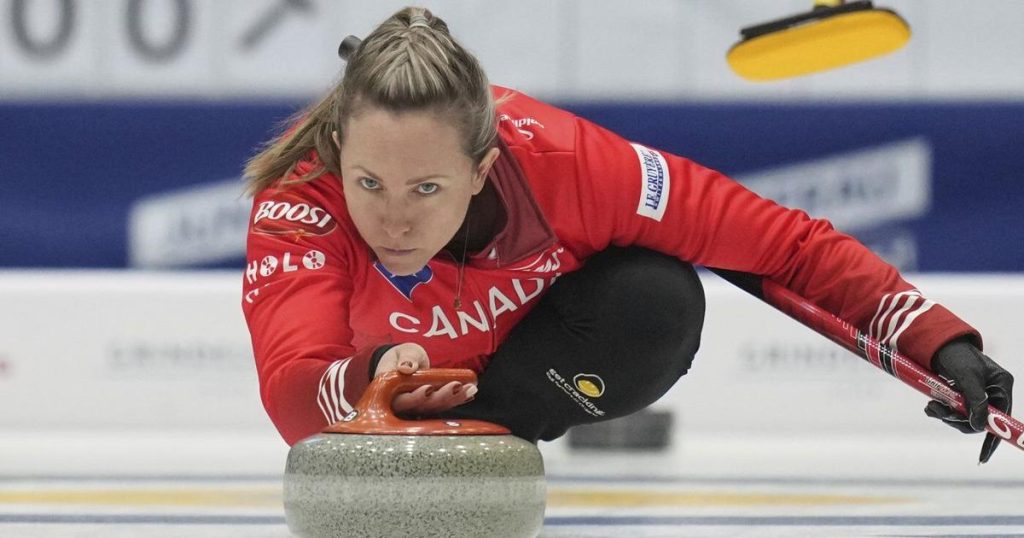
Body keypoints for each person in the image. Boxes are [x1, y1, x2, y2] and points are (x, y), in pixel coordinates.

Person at [241, 7, 1013, 462]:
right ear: (339, 154)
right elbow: (291, 395)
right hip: (385, 391)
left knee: (655, 298)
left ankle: (494, 433)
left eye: (427, 188)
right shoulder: (300, 198)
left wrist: (939, 344)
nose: (394, 218)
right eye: (369, 183)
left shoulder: (573, 164)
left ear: (483, 167)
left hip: (515, 377)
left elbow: (786, 245)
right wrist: (373, 378)